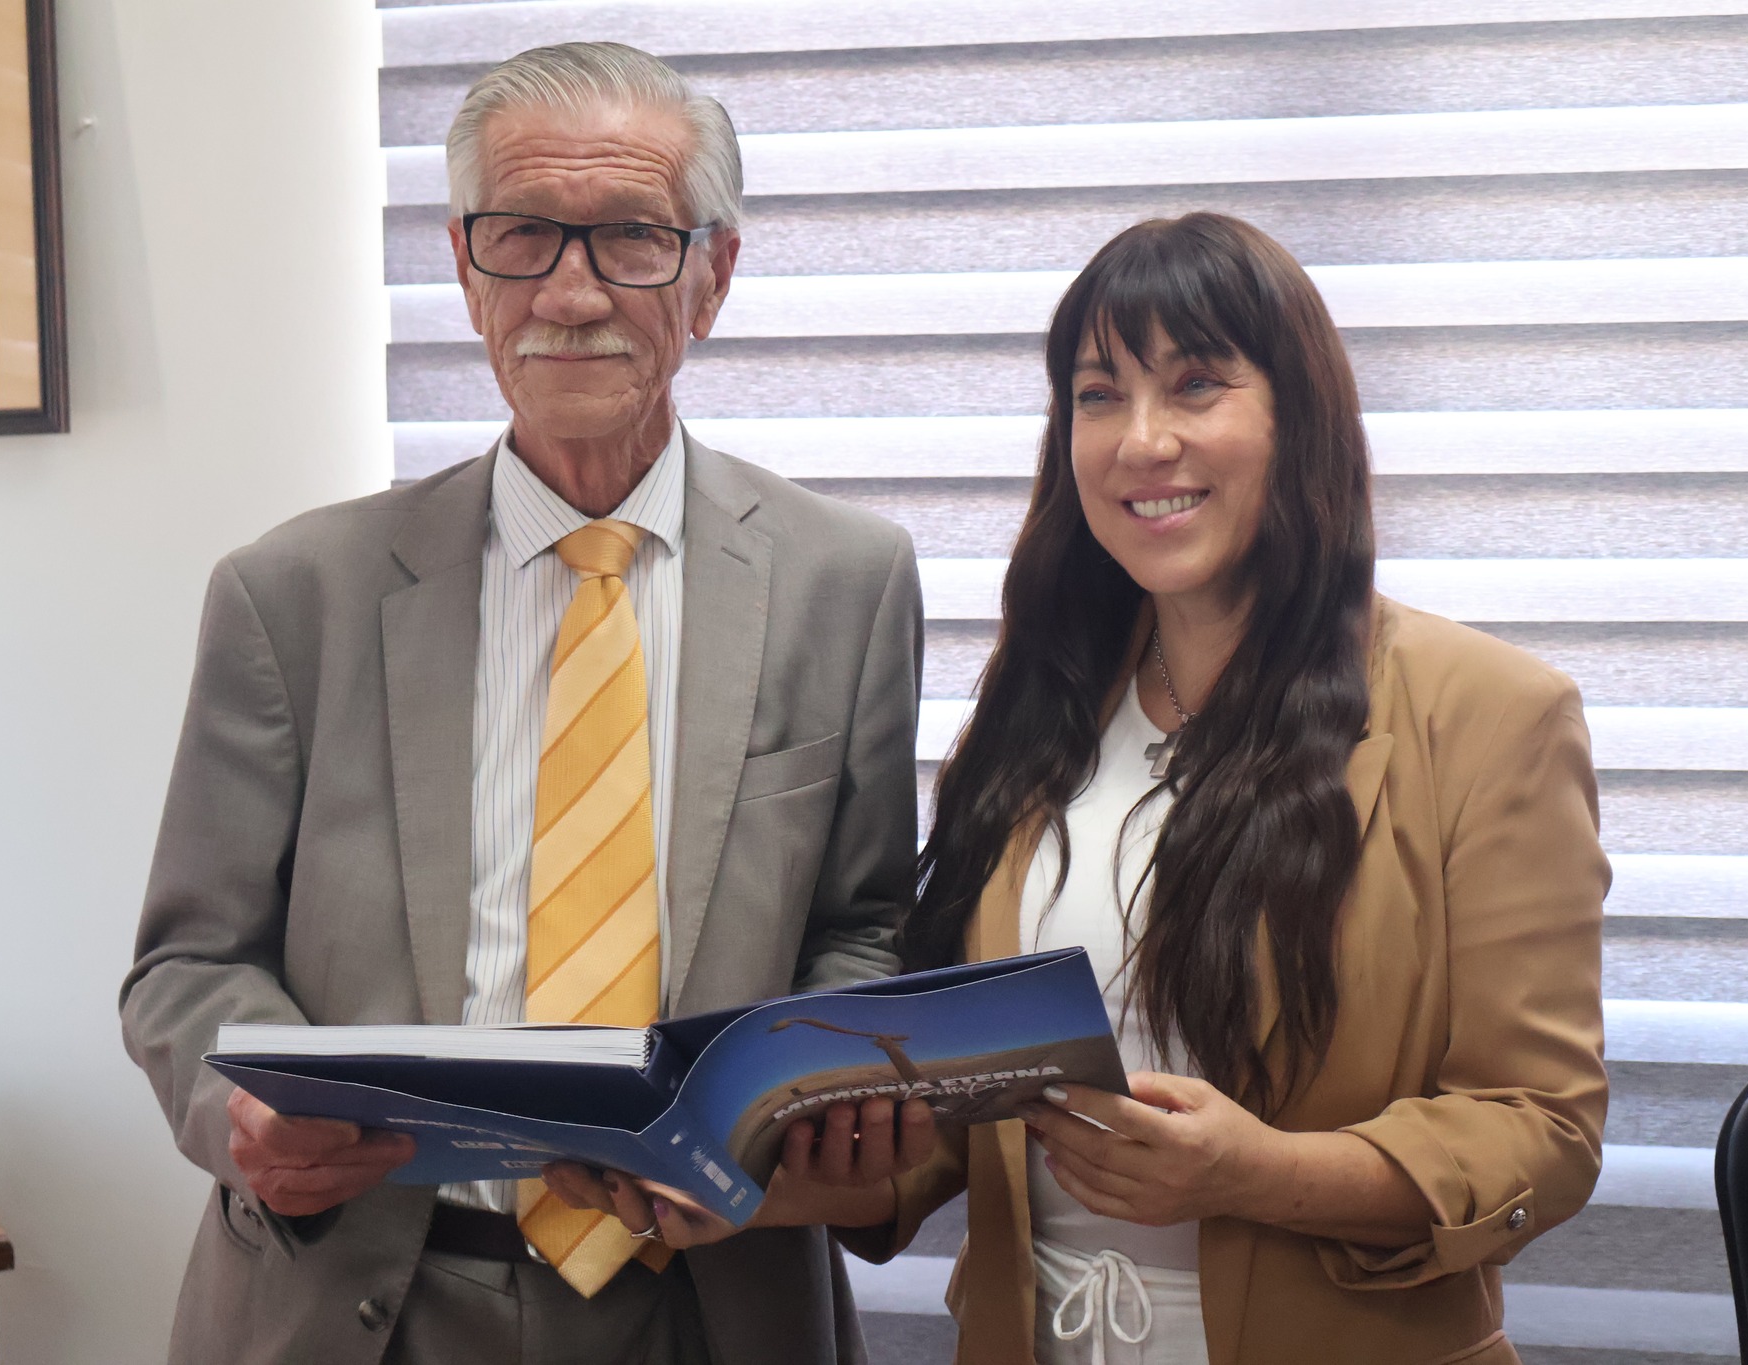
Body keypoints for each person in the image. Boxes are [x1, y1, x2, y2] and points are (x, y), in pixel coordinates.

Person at [120, 42, 928, 1365]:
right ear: (462, 265)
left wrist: (802, 1100)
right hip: (370, 1299)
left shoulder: (846, 580)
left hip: (713, 1300)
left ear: (713, 275)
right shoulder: (293, 595)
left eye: (630, 238)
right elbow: (187, 963)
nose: (570, 291)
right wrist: (240, 1109)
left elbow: (864, 922)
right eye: (524, 236)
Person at [837, 213, 1610, 1363]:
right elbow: (973, 1106)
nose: (1140, 441)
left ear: (1294, 419)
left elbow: (1540, 1130)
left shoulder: (1491, 713)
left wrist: (1259, 1175)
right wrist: (806, 1170)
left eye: (1194, 385)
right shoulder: (1035, 710)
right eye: (1098, 396)